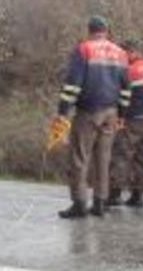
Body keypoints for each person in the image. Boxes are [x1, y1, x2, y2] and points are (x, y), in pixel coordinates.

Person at [53, 16, 130, 218]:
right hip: (111, 113)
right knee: (103, 159)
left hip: (88, 112)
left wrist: (62, 112)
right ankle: (99, 204)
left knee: (79, 158)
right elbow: (126, 89)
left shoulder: (84, 49)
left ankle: (79, 204)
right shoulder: (121, 53)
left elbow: (72, 85)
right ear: (107, 30)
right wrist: (122, 114)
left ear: (89, 30)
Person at [107, 40, 143, 209]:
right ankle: (137, 196)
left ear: (131, 52)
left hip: (134, 118)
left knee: (121, 154)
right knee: (142, 157)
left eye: (123, 54)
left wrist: (119, 116)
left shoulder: (130, 71)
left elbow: (120, 97)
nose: (121, 58)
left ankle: (114, 194)